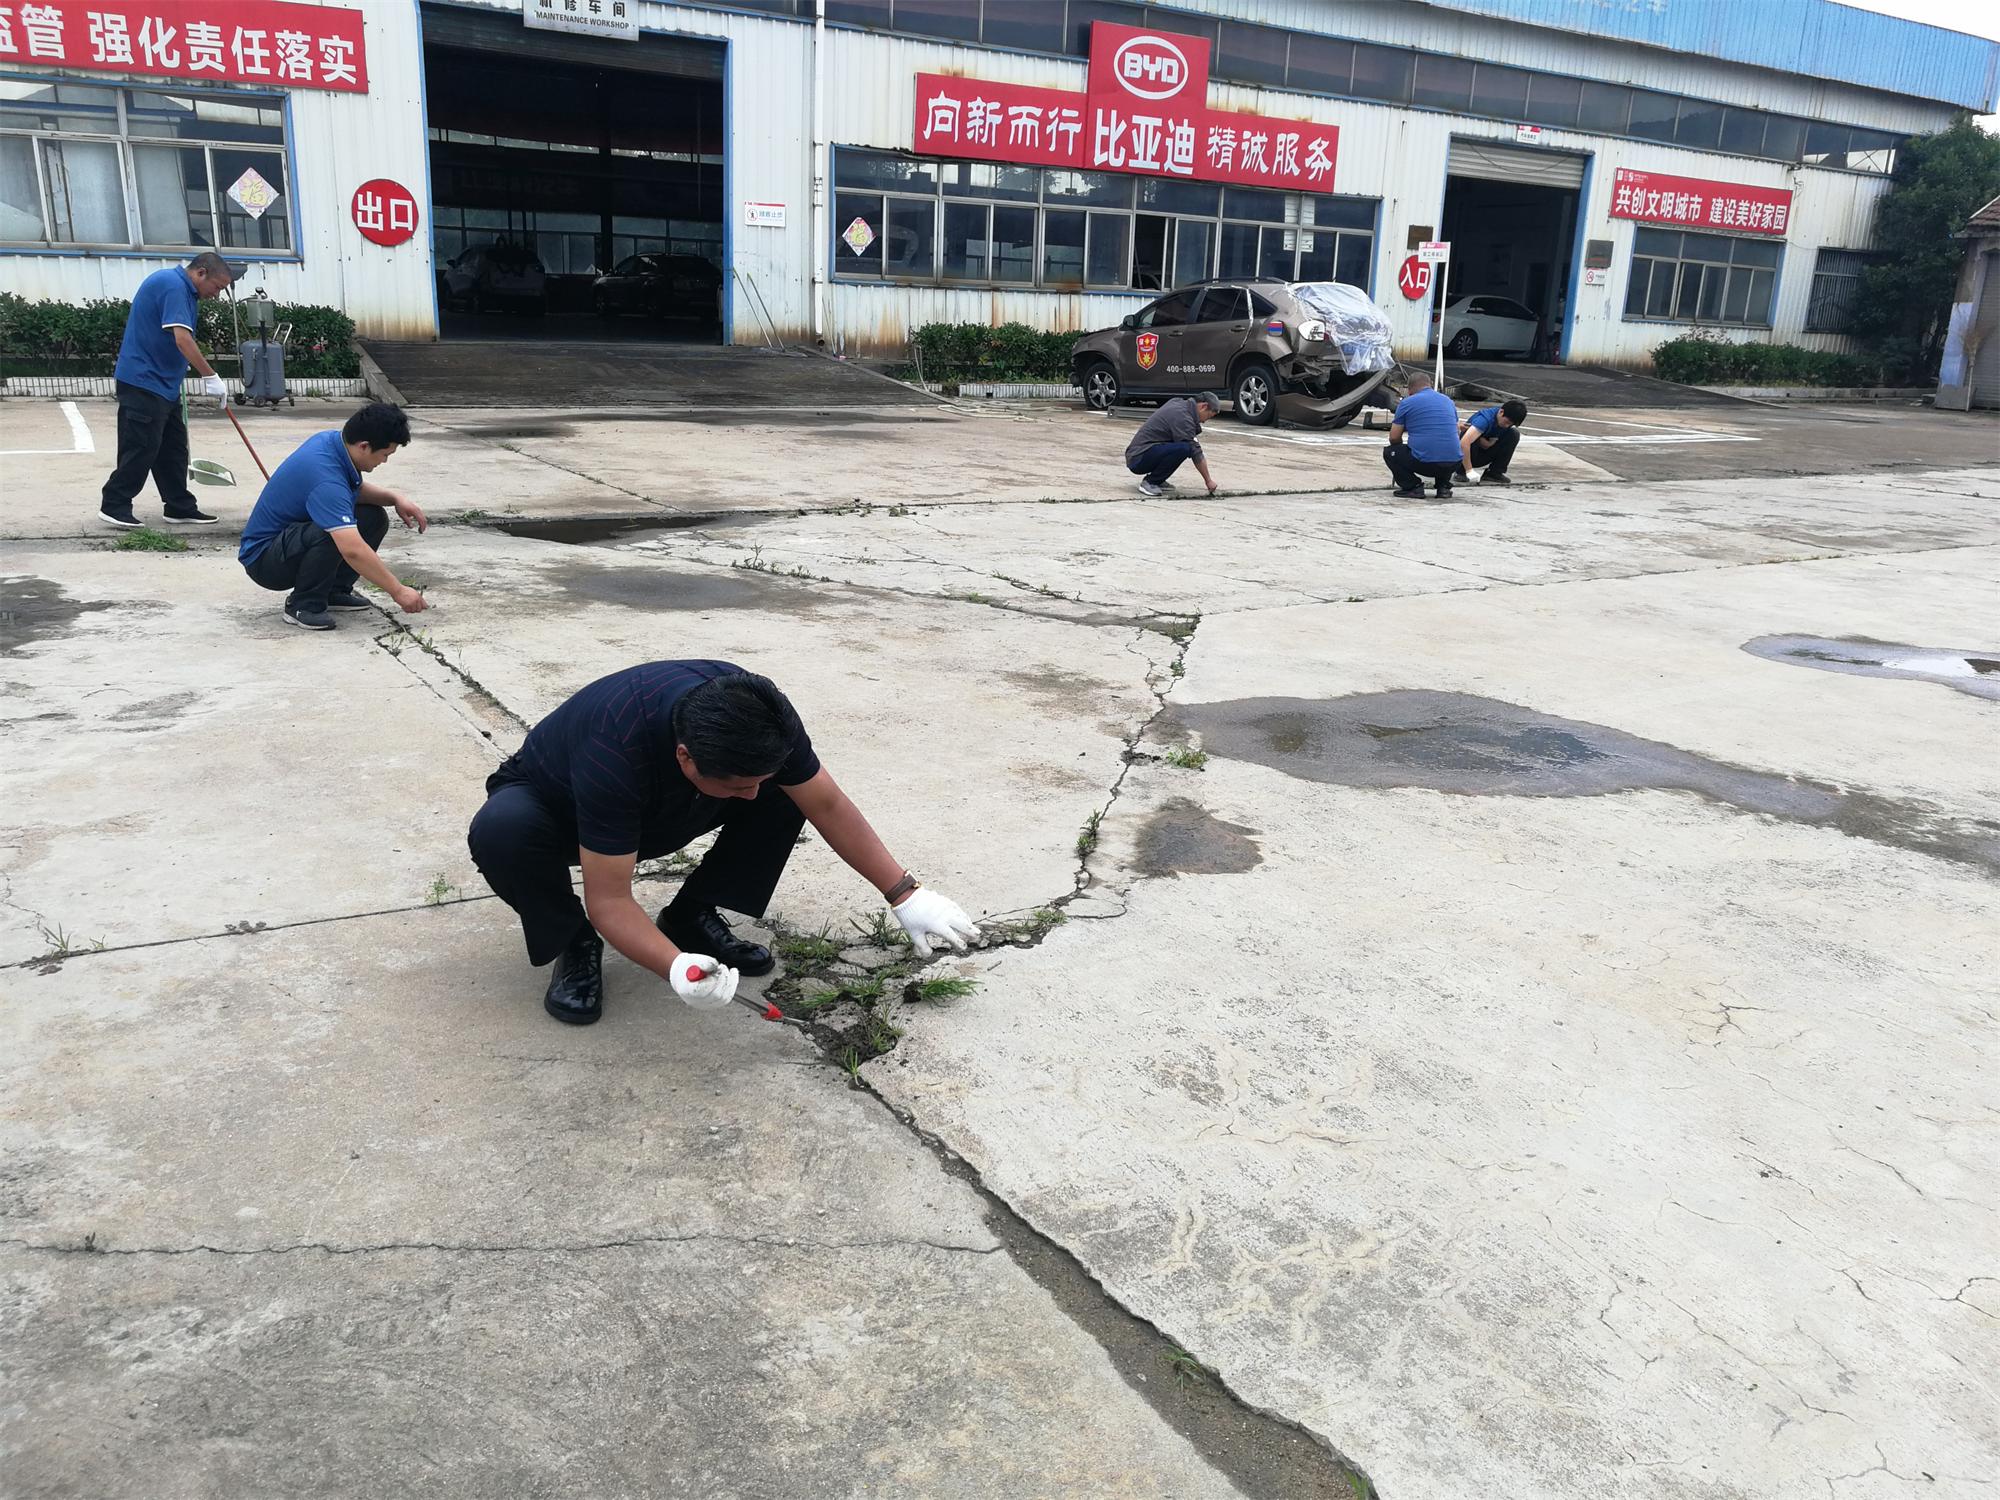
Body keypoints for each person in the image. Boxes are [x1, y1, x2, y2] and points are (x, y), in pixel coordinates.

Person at [467, 663, 982, 1026]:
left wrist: (905, 893)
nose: (751, 795)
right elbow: (611, 900)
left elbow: (825, 803)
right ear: (685, 758)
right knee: (502, 829)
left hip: (666, 802)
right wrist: (676, 968)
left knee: (789, 795)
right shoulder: (613, 751)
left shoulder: (761, 714)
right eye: (739, 786)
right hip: (562, 812)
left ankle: (690, 916)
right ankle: (573, 941)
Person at [237, 403, 430, 630]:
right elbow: (352, 549)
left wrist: (395, 498)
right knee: (334, 531)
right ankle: (303, 605)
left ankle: (333, 591)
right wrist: (398, 591)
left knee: (372, 517)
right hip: (264, 561)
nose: (384, 461)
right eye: (385, 454)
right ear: (364, 446)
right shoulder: (326, 478)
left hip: (286, 542)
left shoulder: (331, 443)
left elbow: (349, 492)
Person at [99, 251, 239, 530]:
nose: (216, 295)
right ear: (201, 273)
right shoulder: (173, 285)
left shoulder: (185, 291)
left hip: (163, 385)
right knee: (141, 445)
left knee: (173, 448)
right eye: (217, 287)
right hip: (143, 380)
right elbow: (182, 339)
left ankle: (179, 506)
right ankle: (114, 504)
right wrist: (210, 375)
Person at [1382, 371, 1462, 499]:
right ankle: (1444, 487)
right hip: (1454, 462)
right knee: (1444, 447)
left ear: (1409, 390)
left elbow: (1394, 437)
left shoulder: (1407, 403)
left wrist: (1400, 450)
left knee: (1390, 452)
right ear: (1430, 384)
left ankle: (1413, 487)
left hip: (1425, 464)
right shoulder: (1448, 401)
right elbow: (1457, 432)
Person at [1125, 392, 1220, 498]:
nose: (1204, 421)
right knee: (1185, 448)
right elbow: (1196, 452)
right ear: (1204, 406)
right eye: (1209, 416)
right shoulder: (1183, 417)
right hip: (1138, 459)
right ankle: (1151, 482)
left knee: (1181, 444)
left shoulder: (1178, 403)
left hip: (1138, 454)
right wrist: (1208, 480)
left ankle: (1159, 479)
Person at [1458, 399, 1528, 486]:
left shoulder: (1505, 422)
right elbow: (1464, 443)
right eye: (1507, 422)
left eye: (1510, 424)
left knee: (1513, 434)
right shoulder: (1483, 420)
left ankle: (1494, 472)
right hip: (1466, 456)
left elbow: (1487, 445)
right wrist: (1469, 470)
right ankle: (1461, 471)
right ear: (1501, 412)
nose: (1507, 426)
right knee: (1467, 433)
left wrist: (1487, 443)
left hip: (1484, 453)